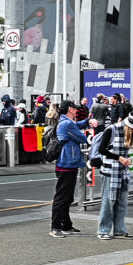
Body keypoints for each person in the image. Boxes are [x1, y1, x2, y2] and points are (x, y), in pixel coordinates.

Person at [49, 100, 98, 238]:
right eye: (75, 109)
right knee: (62, 197)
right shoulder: (67, 124)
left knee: (67, 197)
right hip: (67, 163)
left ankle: (66, 225)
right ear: (70, 109)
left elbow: (76, 125)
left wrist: (87, 121)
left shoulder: (65, 122)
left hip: (66, 163)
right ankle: (55, 227)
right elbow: (82, 138)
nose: (76, 111)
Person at [96, 110, 133, 239]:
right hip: (110, 171)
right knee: (108, 201)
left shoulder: (129, 132)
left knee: (122, 201)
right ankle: (103, 230)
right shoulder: (112, 129)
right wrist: (119, 158)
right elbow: (101, 149)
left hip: (122, 171)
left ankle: (120, 230)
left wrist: (124, 160)